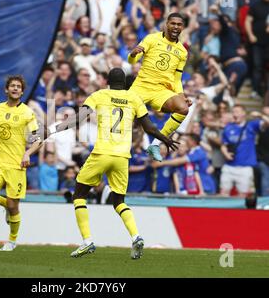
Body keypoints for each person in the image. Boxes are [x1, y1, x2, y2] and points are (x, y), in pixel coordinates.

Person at [48, 68, 179, 259]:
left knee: (79, 195)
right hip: (122, 157)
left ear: (107, 82)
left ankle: (87, 241)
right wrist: (164, 138)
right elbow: (149, 127)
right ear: (125, 84)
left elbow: (78, 118)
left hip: (102, 153)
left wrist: (52, 130)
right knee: (119, 201)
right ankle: (136, 236)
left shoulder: (99, 95)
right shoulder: (134, 98)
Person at [0, 75, 43, 252]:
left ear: (22, 91)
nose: (15, 88)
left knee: (15, 207)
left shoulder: (27, 113)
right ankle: (5, 204)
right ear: (6, 90)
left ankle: (12, 241)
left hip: (16, 165)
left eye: (18, 86)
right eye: (12, 86)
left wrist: (28, 153)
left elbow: (38, 139)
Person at [128, 12, 191, 162]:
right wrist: (133, 54)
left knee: (183, 108)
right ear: (166, 24)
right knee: (122, 115)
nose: (176, 27)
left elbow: (177, 79)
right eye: (173, 23)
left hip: (161, 91)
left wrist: (181, 95)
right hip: (141, 87)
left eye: (179, 24)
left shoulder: (182, 51)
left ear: (182, 27)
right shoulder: (152, 38)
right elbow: (132, 61)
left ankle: (155, 144)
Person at [220, 105, 269, 196]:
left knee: (243, 195)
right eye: (233, 112)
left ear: (244, 114)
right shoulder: (228, 127)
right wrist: (226, 153)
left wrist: (260, 116)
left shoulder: (251, 125)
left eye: (237, 112)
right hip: (229, 166)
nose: (235, 114)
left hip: (245, 167)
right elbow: (223, 145)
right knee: (224, 193)